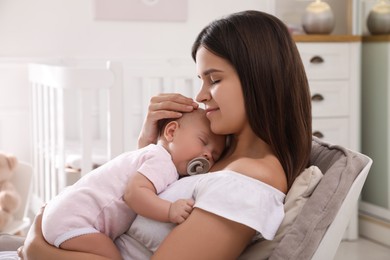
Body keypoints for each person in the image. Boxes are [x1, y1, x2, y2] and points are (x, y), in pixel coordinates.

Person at [18, 10, 312, 259]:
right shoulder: (222, 157)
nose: (201, 95)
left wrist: (36, 247)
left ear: (259, 78)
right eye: (201, 80)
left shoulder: (249, 180)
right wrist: (150, 146)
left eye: (215, 79)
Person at [41, 108, 226, 260]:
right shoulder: (162, 161)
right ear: (171, 132)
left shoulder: (151, 156)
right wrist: (169, 210)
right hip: (76, 221)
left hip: (63, 212)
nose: (208, 155)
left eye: (215, 155)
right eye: (203, 142)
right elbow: (134, 194)